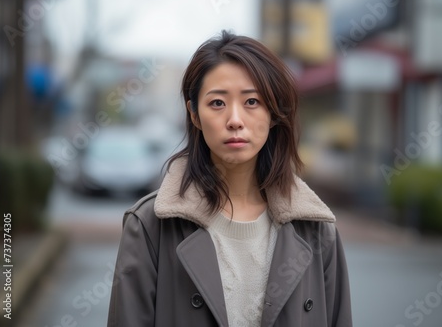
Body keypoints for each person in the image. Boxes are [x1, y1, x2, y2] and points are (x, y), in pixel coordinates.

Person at [107, 30, 352, 327]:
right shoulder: (150, 226)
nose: (235, 119)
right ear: (194, 114)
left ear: (274, 113)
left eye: (251, 102)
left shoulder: (316, 230)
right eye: (217, 103)